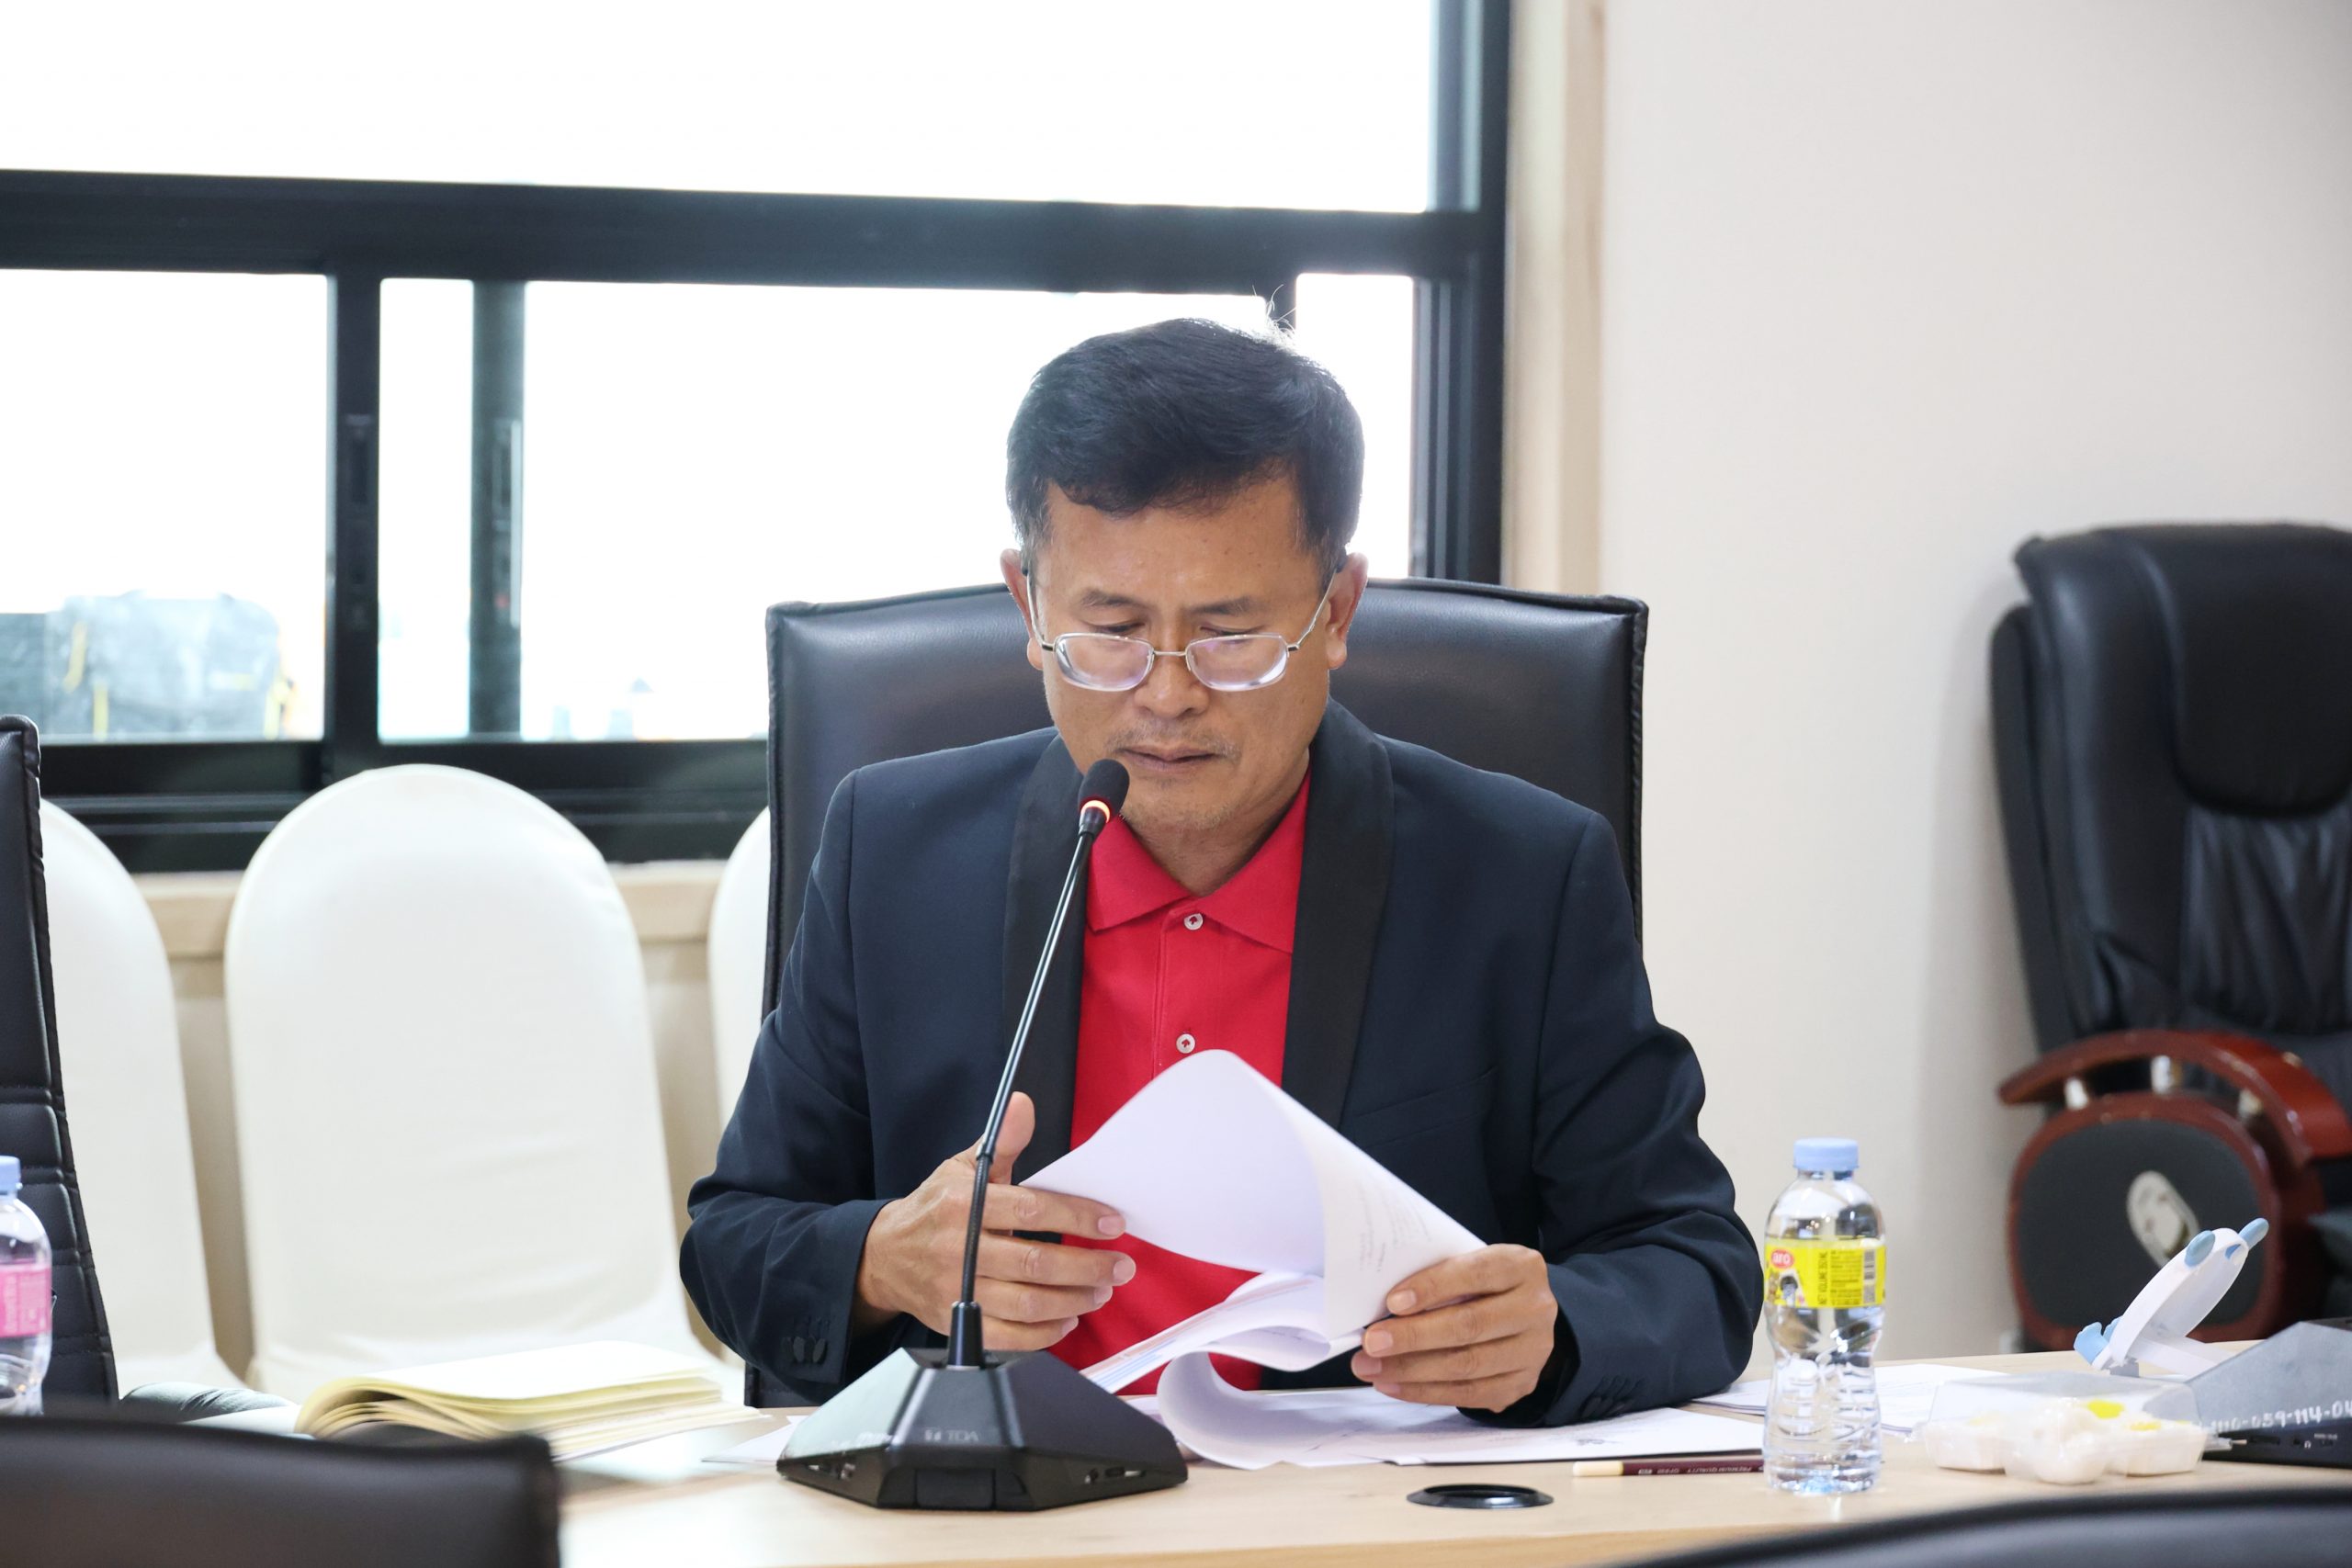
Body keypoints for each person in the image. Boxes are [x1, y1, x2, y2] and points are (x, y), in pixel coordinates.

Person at [682, 319, 1759, 1425]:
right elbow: (734, 1242)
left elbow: (1693, 1264)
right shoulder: (894, 853)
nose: (1166, 694)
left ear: (1335, 612)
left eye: (1229, 636)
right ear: (1029, 607)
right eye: (1111, 629)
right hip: (1001, 1491)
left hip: (1360, 1506)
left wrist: (1548, 1330)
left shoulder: (1521, 875)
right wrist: (881, 1260)